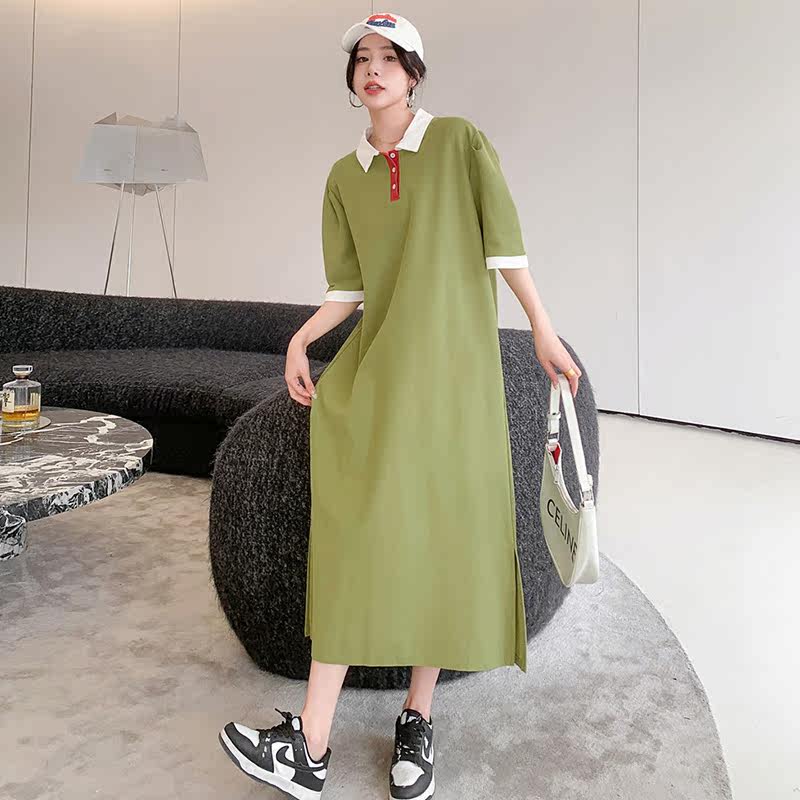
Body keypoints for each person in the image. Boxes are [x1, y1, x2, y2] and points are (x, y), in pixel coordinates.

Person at [218, 12, 582, 800]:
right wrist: (300, 338)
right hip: (377, 378)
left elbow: (505, 248)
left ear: (414, 73)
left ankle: (418, 716)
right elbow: (348, 288)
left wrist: (543, 330)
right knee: (353, 538)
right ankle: (310, 743)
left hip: (453, 383)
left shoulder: (458, 142)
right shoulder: (342, 177)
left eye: (390, 57)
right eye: (363, 58)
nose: (374, 68)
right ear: (353, 79)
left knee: (444, 537)